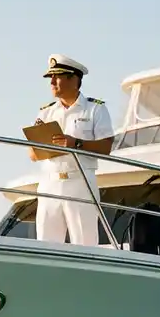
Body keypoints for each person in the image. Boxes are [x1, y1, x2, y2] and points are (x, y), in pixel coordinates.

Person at [29, 54, 114, 245]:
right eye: (50, 77)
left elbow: (106, 147)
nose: (52, 81)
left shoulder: (95, 109)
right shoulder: (45, 112)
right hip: (49, 184)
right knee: (46, 246)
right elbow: (32, 155)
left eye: (56, 76)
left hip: (80, 182)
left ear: (73, 79)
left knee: (84, 245)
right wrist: (41, 145)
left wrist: (76, 144)